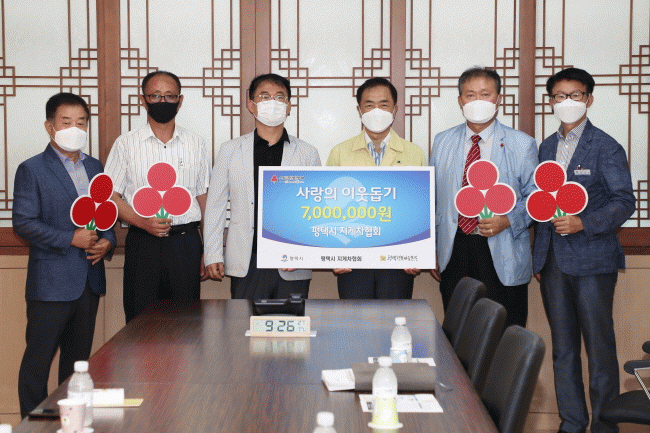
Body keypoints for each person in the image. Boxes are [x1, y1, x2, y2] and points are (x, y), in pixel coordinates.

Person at [534, 67, 635, 433]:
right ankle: (572, 423)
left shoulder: (606, 146)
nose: (567, 102)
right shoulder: (546, 147)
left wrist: (583, 222)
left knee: (599, 349)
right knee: (563, 350)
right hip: (552, 261)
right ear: (551, 101)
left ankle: (605, 426)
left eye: (575, 95)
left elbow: (624, 201)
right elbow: (541, 201)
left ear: (589, 99)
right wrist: (538, 256)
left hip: (593, 260)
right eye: (559, 96)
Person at [13, 93, 116, 418]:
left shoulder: (95, 166)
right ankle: (33, 423)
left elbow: (106, 215)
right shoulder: (31, 169)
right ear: (50, 126)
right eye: (66, 122)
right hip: (50, 282)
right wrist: (70, 238)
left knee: (77, 364)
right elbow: (23, 223)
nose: (75, 128)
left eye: (81, 122)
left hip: (88, 280)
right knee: (38, 362)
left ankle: (71, 420)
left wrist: (108, 241)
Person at [430, 67, 537, 328]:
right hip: (454, 247)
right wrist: (430, 248)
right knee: (458, 328)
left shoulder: (521, 143)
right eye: (470, 95)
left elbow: (536, 197)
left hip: (502, 246)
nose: (477, 101)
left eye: (485, 94)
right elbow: (431, 198)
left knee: (504, 329)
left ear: (498, 98)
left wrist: (508, 220)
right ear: (460, 101)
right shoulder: (442, 141)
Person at [105, 71, 210, 323]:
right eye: (155, 95)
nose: (163, 101)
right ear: (143, 100)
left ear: (180, 101)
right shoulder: (126, 144)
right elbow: (110, 195)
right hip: (143, 244)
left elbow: (204, 198)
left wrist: (209, 249)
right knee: (140, 324)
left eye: (170, 96)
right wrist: (142, 221)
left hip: (185, 244)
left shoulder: (196, 143)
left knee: (185, 324)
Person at [204, 73, 320, 299]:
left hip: (292, 261)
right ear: (251, 105)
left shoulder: (307, 152)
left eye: (280, 97)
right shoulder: (230, 150)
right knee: (244, 321)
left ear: (289, 106)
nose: (273, 103)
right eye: (265, 97)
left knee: (292, 322)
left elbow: (316, 209)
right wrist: (212, 253)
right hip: (247, 260)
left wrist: (304, 253)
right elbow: (215, 206)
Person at [325, 77, 426, 299]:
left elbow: (421, 209)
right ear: (359, 110)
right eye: (369, 105)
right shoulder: (340, 152)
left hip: (398, 261)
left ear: (395, 109)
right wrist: (333, 254)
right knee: (354, 317)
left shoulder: (414, 153)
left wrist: (418, 253)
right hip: (352, 260)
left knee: (394, 317)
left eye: (384, 104)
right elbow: (329, 206)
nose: (376, 111)